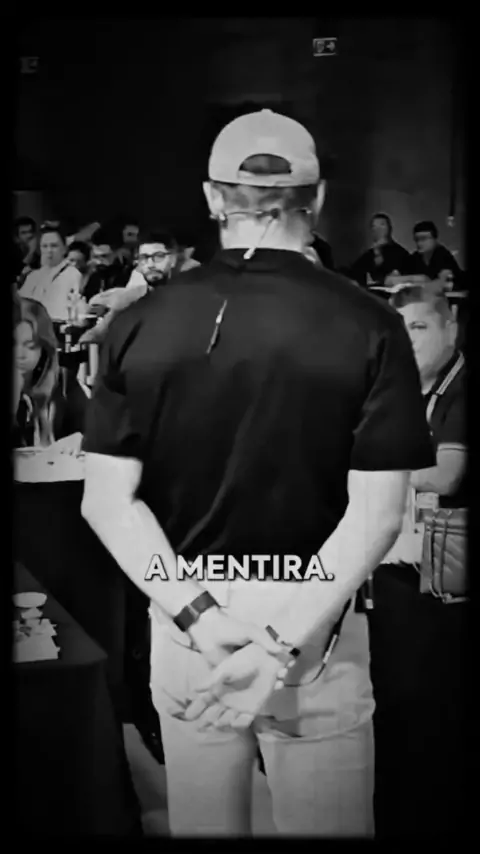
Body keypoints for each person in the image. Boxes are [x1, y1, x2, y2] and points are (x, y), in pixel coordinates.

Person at [81, 108, 434, 837]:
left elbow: (107, 503)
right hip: (316, 627)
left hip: (190, 619)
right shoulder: (372, 325)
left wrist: (200, 616)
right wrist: (278, 642)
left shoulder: (137, 323)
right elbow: (377, 513)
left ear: (212, 199)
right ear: (319, 200)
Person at [367, 284, 468, 840]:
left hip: (448, 575)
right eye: (400, 329)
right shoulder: (401, 388)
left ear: (452, 328)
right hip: (403, 570)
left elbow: (446, 475)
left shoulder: (459, 387)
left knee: (432, 705)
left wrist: (370, 468)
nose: (409, 340)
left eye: (421, 327)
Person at [13, 297, 87, 449]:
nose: (20, 354)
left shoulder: (63, 381)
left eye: (31, 346)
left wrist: (77, 442)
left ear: (45, 348)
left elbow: (92, 431)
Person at [18, 222, 82, 322]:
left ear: (64, 249)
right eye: (44, 246)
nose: (49, 250)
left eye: (54, 246)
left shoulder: (72, 274)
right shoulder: (33, 276)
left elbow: (65, 311)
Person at [347, 213, 410, 287]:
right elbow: (354, 274)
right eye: (374, 226)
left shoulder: (401, 253)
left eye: (382, 225)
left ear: (390, 229)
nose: (378, 229)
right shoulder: (367, 256)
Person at [407, 220, 463, 287]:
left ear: (435, 239)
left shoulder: (444, 257)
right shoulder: (414, 258)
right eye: (417, 239)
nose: (419, 243)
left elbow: (450, 284)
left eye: (423, 239)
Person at [82, 227, 132, 302]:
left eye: (104, 256)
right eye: (95, 256)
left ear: (118, 251)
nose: (98, 261)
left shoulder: (130, 276)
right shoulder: (94, 276)